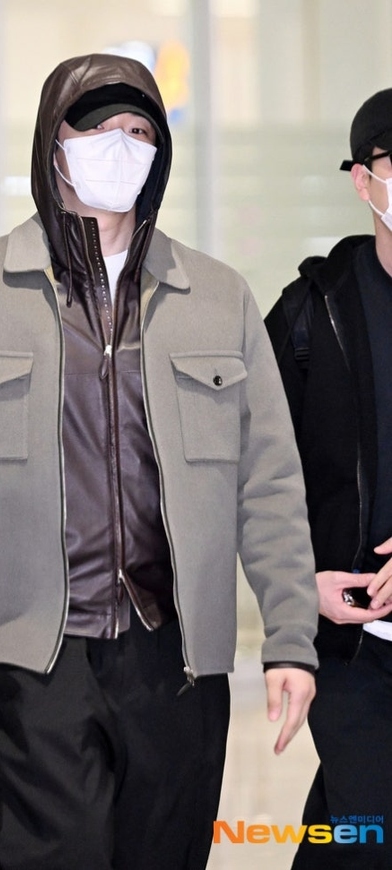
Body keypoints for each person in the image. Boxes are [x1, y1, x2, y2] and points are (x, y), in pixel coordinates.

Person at [0, 53, 318, 870]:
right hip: (32, 650)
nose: (121, 147)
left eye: (139, 132)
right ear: (53, 145)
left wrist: (290, 638)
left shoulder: (219, 298)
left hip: (176, 655)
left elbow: (267, 482)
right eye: (98, 129)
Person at [265, 88, 392, 869]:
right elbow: (255, 471)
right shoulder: (311, 313)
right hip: (353, 642)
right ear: (362, 179)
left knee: (353, 830)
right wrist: (295, 581)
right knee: (370, 824)